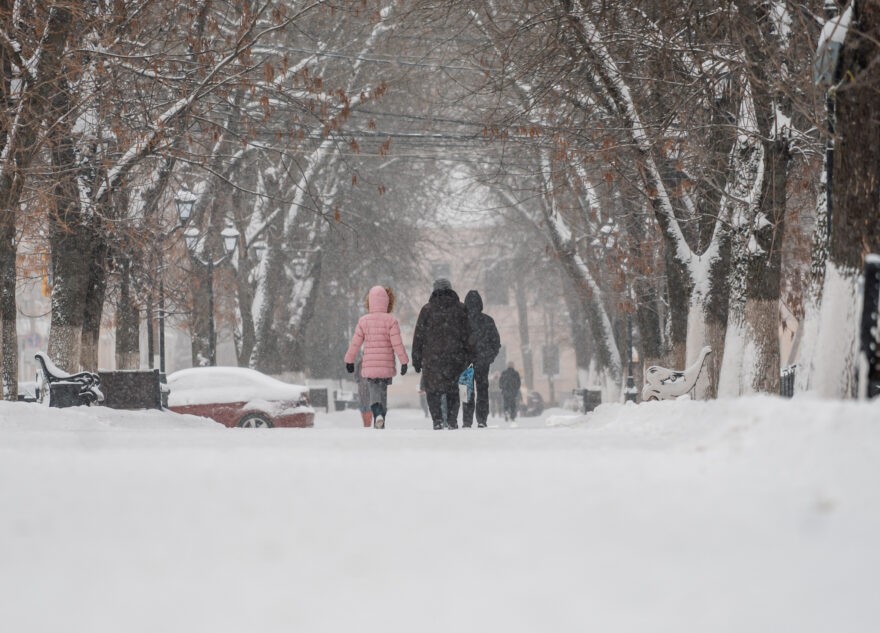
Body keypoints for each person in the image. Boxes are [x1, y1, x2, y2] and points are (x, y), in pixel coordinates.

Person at [344, 285, 408, 429]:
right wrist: (404, 362)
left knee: (374, 391)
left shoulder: (363, 321)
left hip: (371, 365)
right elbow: (398, 344)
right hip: (386, 365)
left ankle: (377, 413)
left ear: (370, 302)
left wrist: (349, 360)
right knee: (383, 391)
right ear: (387, 302)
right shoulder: (391, 321)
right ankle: (381, 418)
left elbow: (355, 343)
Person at [411, 278, 472, 430]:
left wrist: (416, 359)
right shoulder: (461, 309)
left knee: (433, 391)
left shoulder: (427, 310)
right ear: (450, 289)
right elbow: (468, 335)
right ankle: (452, 420)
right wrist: (469, 356)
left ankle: (437, 420)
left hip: (432, 358)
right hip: (455, 357)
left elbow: (418, 336)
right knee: (452, 390)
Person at [462, 290, 501, 428]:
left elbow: (456, 342)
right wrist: (489, 357)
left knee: (467, 391)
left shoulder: (461, 321)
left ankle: (467, 420)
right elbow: (496, 343)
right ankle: (482, 420)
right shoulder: (487, 320)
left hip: (465, 363)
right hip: (482, 361)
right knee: (482, 390)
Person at [354, 357, 372, 428]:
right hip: (367, 386)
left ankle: (367, 423)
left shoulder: (360, 362)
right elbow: (356, 376)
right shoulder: (361, 362)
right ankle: (367, 423)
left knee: (365, 405)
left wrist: (359, 381)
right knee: (367, 405)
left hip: (364, 387)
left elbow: (356, 376)